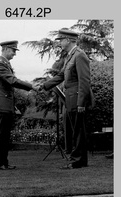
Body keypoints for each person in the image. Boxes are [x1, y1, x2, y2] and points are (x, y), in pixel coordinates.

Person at [36, 29, 94, 169]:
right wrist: (44, 86)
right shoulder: (70, 56)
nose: (60, 43)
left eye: (61, 40)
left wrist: (81, 103)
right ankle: (79, 160)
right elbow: (61, 76)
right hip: (71, 98)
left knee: (78, 130)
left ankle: (77, 161)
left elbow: (84, 81)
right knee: (76, 130)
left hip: (76, 99)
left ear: (68, 40)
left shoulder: (79, 55)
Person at [0, 40, 34, 170]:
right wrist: (31, 86)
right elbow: (12, 81)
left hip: (5, 103)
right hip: (1, 103)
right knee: (1, 134)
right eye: (13, 50)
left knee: (5, 135)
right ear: (6, 49)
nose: (15, 53)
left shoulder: (5, 64)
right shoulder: (0, 64)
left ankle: (4, 162)